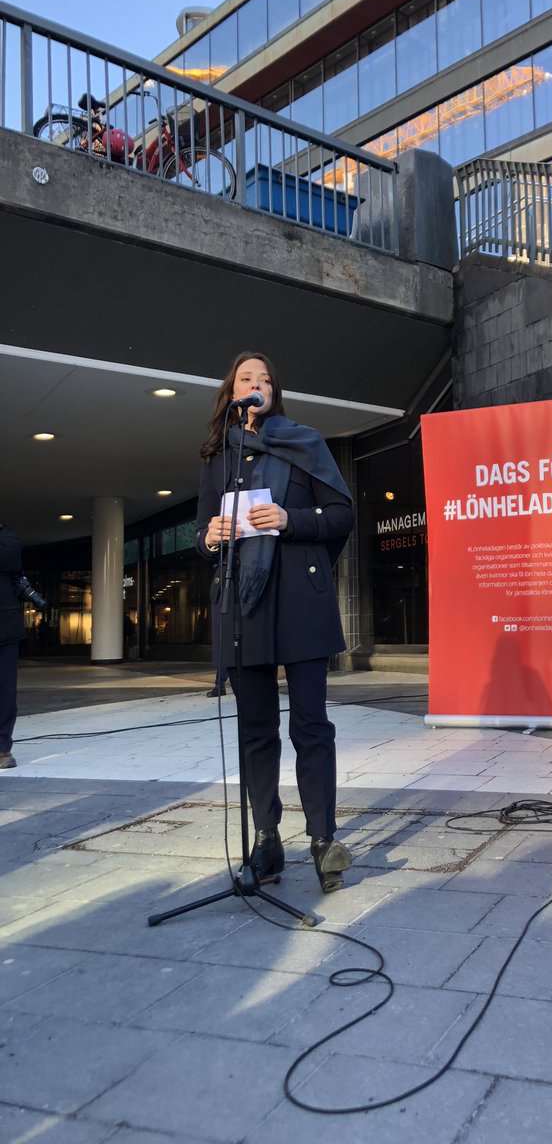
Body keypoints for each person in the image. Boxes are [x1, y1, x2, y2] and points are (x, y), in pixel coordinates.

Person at [196, 352, 354, 893]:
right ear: (232, 391)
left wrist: (292, 519)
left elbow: (342, 514)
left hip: (301, 602)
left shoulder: (304, 441)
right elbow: (201, 530)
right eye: (247, 378)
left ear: (274, 392)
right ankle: (266, 839)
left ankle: (323, 840)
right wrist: (211, 536)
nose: (256, 384)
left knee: (311, 726)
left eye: (265, 379)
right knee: (255, 729)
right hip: (244, 606)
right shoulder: (219, 456)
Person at [0, 523, 26, 770]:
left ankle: (1, 749)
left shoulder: (6, 536)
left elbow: (11, 557)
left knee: (4, 691)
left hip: (4, 629)